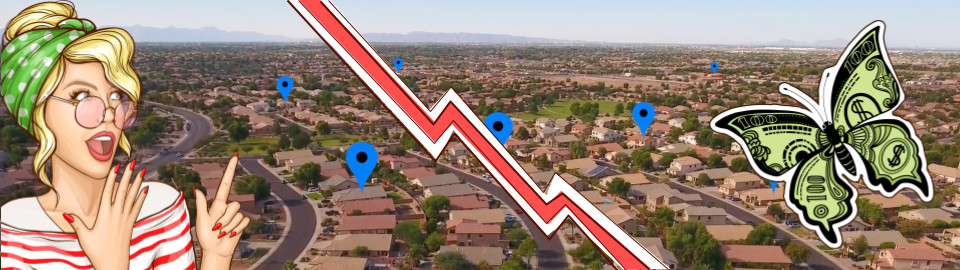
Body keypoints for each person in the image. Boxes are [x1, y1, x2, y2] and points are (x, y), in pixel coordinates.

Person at [0, 2, 248, 269]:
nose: (109, 113)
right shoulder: (15, 231)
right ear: (39, 113)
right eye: (82, 96)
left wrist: (216, 258)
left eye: (116, 96)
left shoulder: (160, 207)